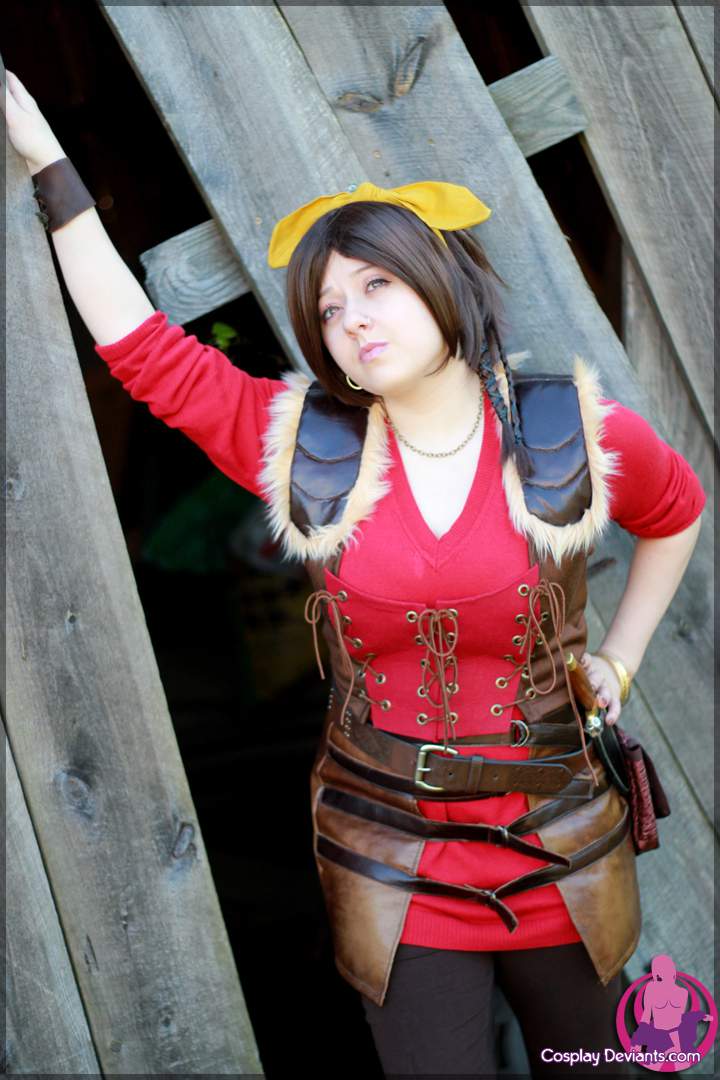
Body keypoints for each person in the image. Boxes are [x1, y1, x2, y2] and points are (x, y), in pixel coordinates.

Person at [4, 70, 706, 1078]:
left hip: (562, 843)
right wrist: (52, 168)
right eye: (330, 309)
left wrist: (622, 658)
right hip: (393, 857)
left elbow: (677, 513)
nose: (352, 319)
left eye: (377, 285)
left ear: (441, 277)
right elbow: (144, 351)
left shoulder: (573, 430)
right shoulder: (304, 448)